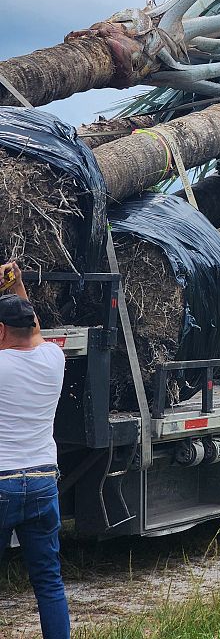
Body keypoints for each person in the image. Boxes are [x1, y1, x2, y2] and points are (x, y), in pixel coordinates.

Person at [0, 261, 70, 639]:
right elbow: (34, 329)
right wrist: (19, 287)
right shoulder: (53, 360)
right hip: (42, 480)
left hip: (2, 482)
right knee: (48, 582)